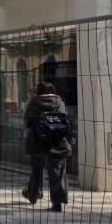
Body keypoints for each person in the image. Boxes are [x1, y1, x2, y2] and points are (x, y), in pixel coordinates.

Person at [21, 82, 73, 212]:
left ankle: (33, 194)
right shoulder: (60, 103)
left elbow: (27, 121)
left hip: (38, 140)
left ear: (38, 91)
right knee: (58, 170)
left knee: (37, 168)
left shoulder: (34, 103)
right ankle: (57, 203)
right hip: (58, 141)